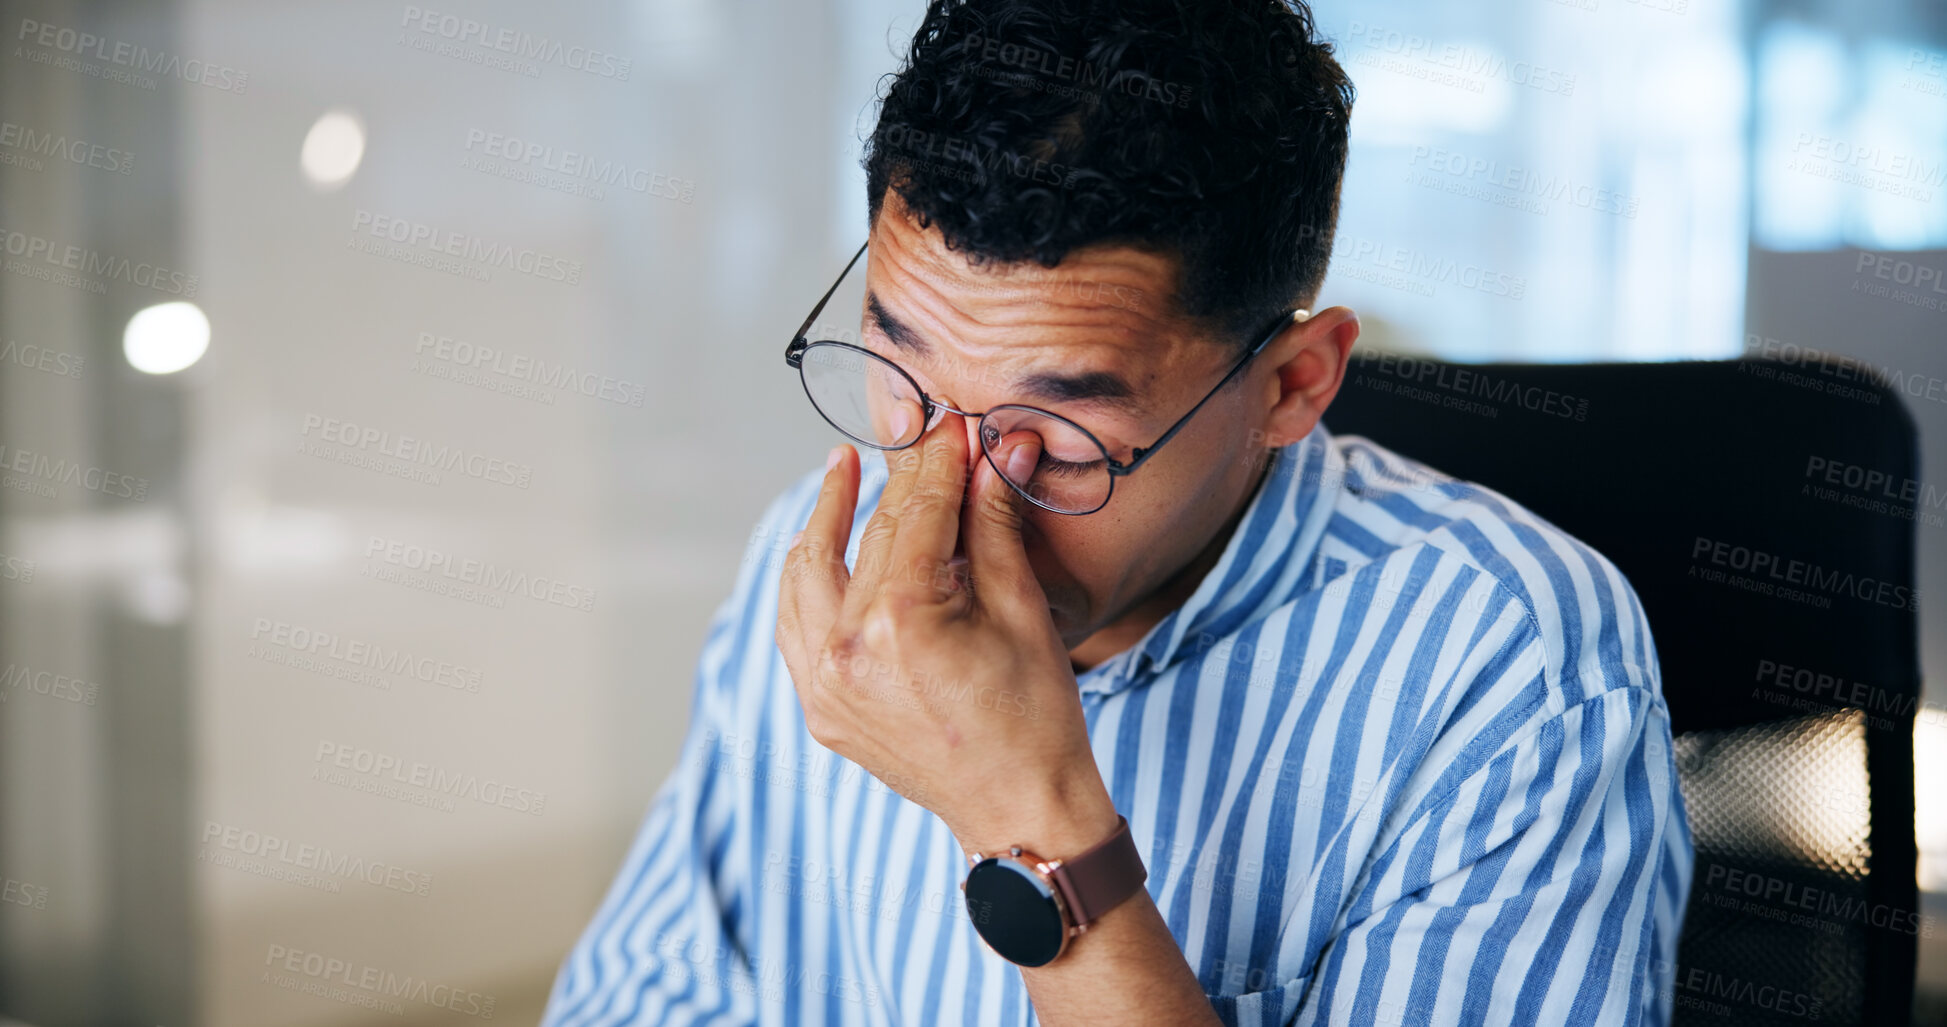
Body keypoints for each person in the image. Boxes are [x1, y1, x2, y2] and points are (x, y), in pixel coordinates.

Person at [542, 0, 1691, 1023]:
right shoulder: (822, 567)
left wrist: (1027, 819)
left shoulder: (1512, 671)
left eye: (1065, 436)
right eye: (901, 369)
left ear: (1293, 385)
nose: (946, 499)